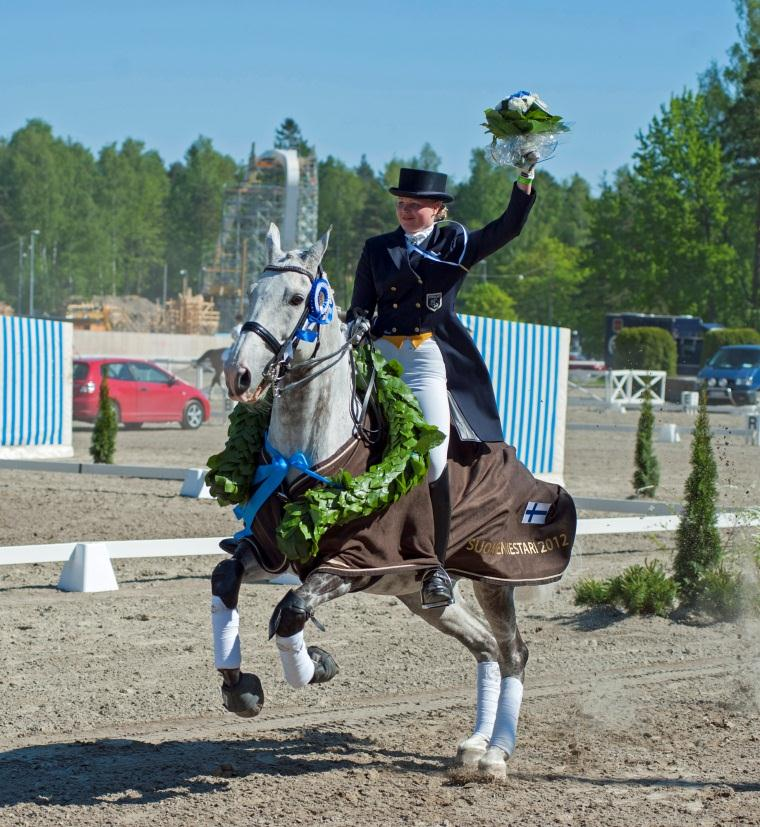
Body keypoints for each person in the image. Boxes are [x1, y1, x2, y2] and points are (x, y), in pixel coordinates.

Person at [347, 163, 537, 609]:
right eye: (401, 204)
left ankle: (437, 566)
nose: (406, 211)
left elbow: (508, 227)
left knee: (434, 455)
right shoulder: (376, 249)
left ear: (437, 209)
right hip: (379, 355)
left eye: (415, 206)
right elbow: (360, 306)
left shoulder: (455, 244)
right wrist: (355, 325)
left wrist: (524, 178)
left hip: (423, 357)